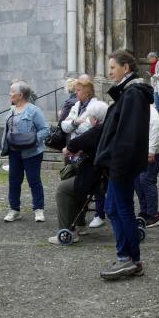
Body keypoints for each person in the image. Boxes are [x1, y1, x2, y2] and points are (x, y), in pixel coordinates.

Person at [94, 49, 153, 280]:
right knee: (112, 209)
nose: (109, 72)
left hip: (122, 165)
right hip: (118, 164)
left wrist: (117, 165)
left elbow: (128, 135)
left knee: (123, 209)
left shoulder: (132, 94)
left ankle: (129, 259)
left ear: (125, 68)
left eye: (112, 68)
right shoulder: (128, 93)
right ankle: (128, 258)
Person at [49, 100, 109, 245]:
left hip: (96, 177)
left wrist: (67, 149)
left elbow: (74, 143)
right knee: (76, 185)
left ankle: (65, 231)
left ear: (94, 118)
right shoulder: (107, 129)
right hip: (103, 175)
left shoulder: (96, 130)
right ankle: (80, 225)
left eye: (90, 117)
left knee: (63, 189)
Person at [61, 74, 105, 228]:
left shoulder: (96, 106)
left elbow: (89, 128)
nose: (76, 93)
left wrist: (76, 125)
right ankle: (80, 218)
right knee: (77, 182)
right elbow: (64, 125)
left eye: (78, 90)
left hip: (88, 151)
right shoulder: (75, 105)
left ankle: (100, 213)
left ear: (87, 92)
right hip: (76, 150)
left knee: (95, 184)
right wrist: (75, 122)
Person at [2, 81, 50, 222]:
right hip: (14, 151)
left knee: (34, 180)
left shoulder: (34, 110)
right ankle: (14, 209)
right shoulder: (11, 111)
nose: (10, 94)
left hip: (32, 152)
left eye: (12, 91)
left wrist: (34, 140)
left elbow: (45, 129)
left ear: (20, 95)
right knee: (14, 181)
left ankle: (38, 209)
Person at [134, 104, 159, 228]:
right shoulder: (138, 109)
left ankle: (154, 214)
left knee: (146, 180)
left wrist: (151, 150)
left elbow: (156, 128)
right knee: (137, 180)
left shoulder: (150, 110)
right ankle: (145, 211)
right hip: (141, 151)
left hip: (154, 152)